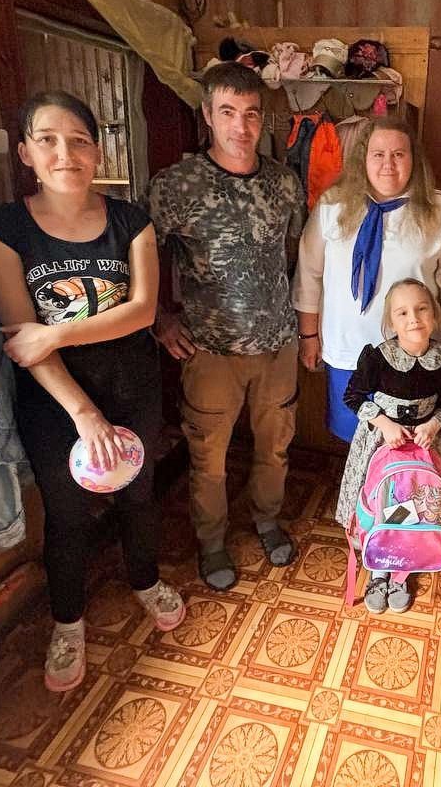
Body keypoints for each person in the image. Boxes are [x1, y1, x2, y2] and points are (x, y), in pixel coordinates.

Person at [0, 91, 185, 693]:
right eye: (47, 139)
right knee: (66, 514)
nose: (64, 153)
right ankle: (68, 623)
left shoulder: (130, 221)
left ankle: (145, 579)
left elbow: (141, 310)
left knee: (138, 496)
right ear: (25, 151)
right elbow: (23, 341)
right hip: (54, 400)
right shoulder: (3, 230)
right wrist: (83, 412)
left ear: (97, 152)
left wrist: (58, 332)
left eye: (79, 141)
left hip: (132, 384)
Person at [145, 62, 305, 592]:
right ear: (208, 115)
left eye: (251, 113)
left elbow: (295, 257)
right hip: (209, 348)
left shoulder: (285, 183)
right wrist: (159, 318)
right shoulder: (175, 186)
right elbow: (137, 256)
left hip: (277, 343)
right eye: (228, 112)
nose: (241, 126)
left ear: (263, 119)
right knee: (207, 457)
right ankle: (211, 541)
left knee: (275, 446)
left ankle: (266, 519)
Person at [293, 116, 441, 443]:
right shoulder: (333, 205)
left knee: (406, 446)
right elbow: (309, 271)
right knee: (355, 441)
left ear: (414, 160)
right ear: (362, 159)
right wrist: (308, 335)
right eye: (378, 154)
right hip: (348, 349)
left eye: (398, 154)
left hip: (414, 358)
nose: (388, 164)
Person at [340, 278, 441, 614]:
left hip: (425, 447)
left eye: (422, 309)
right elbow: (352, 396)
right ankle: (378, 567)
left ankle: (403, 567)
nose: (414, 319)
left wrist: (434, 423)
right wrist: (384, 423)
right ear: (391, 321)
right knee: (383, 501)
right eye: (403, 313)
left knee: (414, 504)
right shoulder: (378, 357)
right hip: (382, 444)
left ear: (435, 315)